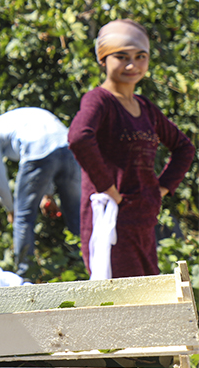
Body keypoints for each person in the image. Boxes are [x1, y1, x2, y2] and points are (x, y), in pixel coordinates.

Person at [68, 19, 195, 278]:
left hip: (143, 218)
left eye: (140, 56)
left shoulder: (145, 107)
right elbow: (79, 137)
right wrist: (110, 190)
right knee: (115, 297)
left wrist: (159, 189)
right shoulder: (99, 100)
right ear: (103, 59)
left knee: (147, 291)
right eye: (121, 56)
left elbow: (184, 147)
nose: (132, 65)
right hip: (110, 215)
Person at [0, 107, 81, 278]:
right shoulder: (14, 118)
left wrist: (11, 209)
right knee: (76, 213)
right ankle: (84, 265)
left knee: (23, 219)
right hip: (68, 147)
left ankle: (26, 277)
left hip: (39, 152)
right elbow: (50, 148)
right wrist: (47, 195)